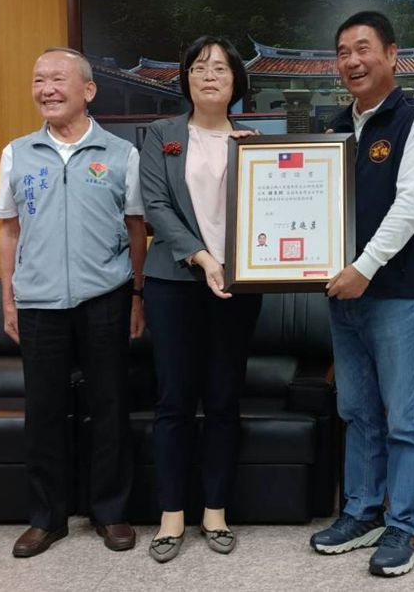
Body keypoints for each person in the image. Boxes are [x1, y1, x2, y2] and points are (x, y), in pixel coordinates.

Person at [0, 47, 146, 557]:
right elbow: (8, 231)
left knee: (109, 407)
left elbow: (136, 229)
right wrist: (9, 299)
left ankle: (111, 512)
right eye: (39, 80)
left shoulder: (122, 154)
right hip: (38, 302)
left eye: (57, 79)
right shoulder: (17, 152)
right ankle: (47, 517)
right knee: (43, 413)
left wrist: (137, 296)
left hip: (105, 296)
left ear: (88, 90)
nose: (47, 89)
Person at [309, 11, 414, 577]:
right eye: (342, 52)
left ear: (391, 54)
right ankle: (361, 511)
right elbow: (309, 204)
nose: (352, 61)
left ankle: (405, 527)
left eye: (363, 48)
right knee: (356, 410)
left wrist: (364, 266)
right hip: (343, 295)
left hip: (395, 293)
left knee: (404, 417)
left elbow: (411, 206)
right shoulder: (332, 126)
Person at [138, 36, 262, 564]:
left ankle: (215, 510)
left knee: (223, 399)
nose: (209, 75)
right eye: (198, 67)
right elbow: (157, 207)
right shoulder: (160, 135)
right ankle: (171, 514)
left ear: (237, 81)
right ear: (186, 78)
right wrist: (203, 258)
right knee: (173, 400)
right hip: (173, 283)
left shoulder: (254, 141)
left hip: (239, 287)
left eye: (220, 68)